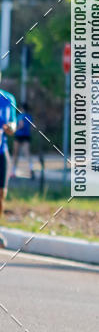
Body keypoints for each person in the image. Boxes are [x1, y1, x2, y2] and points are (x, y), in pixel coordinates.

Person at [0, 71, 17, 233]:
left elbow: (13, 123)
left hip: (1, 151)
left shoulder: (8, 99)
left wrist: (10, 128)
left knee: (2, 193)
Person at [11, 101, 34, 179]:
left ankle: (13, 172)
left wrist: (14, 130)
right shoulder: (29, 116)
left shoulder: (20, 116)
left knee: (15, 154)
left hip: (19, 136)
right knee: (27, 153)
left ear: (22, 108)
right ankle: (31, 169)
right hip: (26, 136)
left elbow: (21, 125)